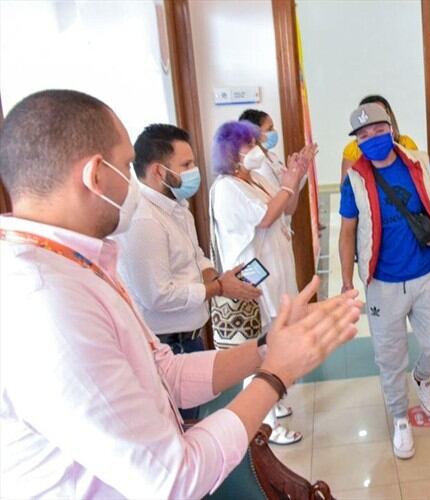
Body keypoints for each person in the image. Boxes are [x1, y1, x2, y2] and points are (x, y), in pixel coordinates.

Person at [0, 89, 361, 498]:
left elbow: (163, 375)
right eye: (124, 166)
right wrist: (276, 374)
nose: (133, 181)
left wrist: (265, 349)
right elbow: (173, 478)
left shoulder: (73, 263)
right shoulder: (43, 301)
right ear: (95, 175)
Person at [339, 103, 430, 459]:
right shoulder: (354, 178)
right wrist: (345, 281)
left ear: (392, 128)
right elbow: (347, 232)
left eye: (377, 131)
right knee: (389, 357)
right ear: (357, 141)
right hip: (382, 284)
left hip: (427, 274)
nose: (372, 140)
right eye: (363, 136)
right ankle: (400, 419)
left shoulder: (417, 162)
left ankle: (423, 376)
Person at [112, 124, 261, 419]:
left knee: (194, 415)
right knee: (180, 422)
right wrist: (218, 289)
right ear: (158, 171)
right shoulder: (145, 220)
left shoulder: (177, 206)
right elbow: (157, 295)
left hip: (191, 335)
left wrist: (218, 278)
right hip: (168, 342)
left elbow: (197, 257)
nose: (194, 171)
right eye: (186, 165)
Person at [209, 120, 313, 445]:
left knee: (272, 343)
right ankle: (262, 427)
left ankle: (272, 406)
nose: (257, 149)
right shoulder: (226, 187)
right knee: (258, 353)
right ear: (231, 152)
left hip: (274, 273)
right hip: (253, 280)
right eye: (249, 145)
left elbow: (286, 209)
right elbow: (265, 216)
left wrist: (294, 179)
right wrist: (287, 184)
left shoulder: (253, 178)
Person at [340, 95, 418, 180]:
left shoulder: (406, 143)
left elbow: (418, 178)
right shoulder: (352, 150)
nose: (374, 119)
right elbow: (348, 186)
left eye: (379, 113)